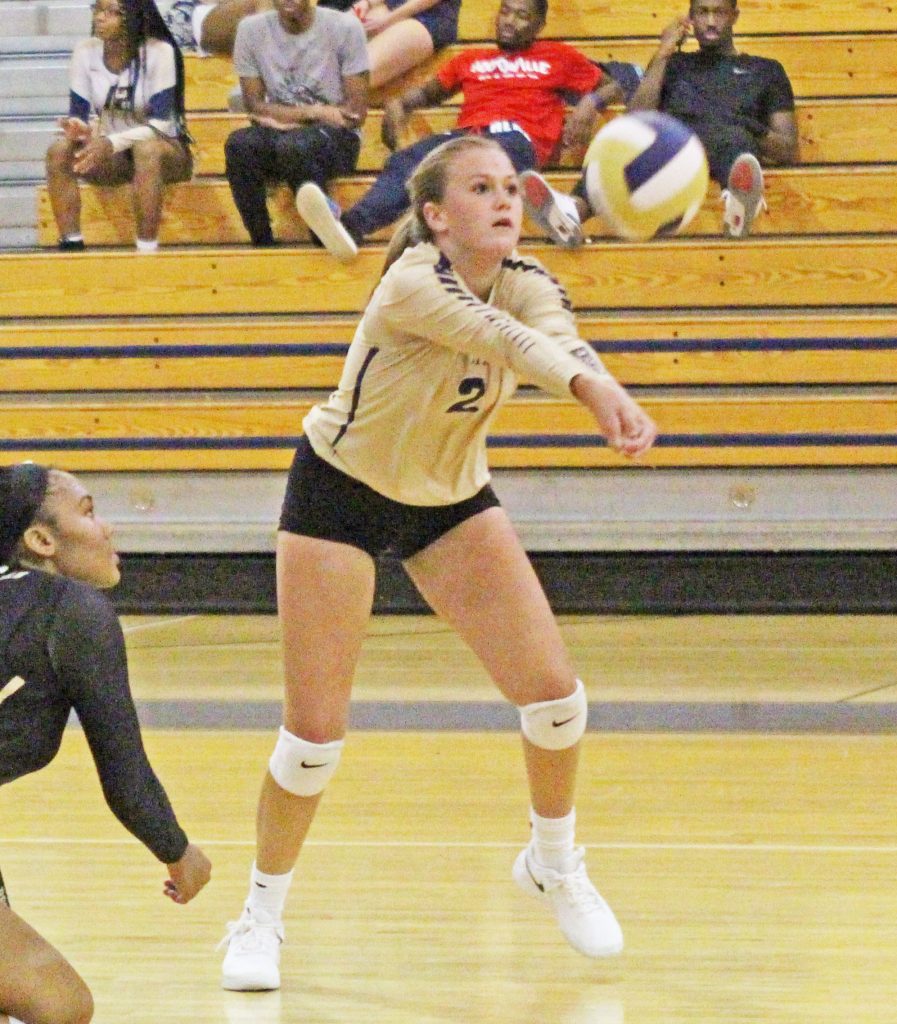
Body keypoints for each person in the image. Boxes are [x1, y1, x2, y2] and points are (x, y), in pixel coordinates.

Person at [218, 134, 657, 992]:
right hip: (341, 492)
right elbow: (509, 343)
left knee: (556, 700)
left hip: (451, 497)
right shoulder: (413, 281)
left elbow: (557, 338)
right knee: (311, 740)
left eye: (510, 189)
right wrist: (589, 391)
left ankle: (552, 861)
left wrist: (600, 382)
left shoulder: (528, 279)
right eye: (480, 188)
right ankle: (259, 916)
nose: (504, 201)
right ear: (434, 214)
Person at [0, 463, 211, 1024]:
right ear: (42, 540)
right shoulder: (69, 611)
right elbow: (126, 780)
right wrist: (180, 852)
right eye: (89, 512)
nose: (108, 529)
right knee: (61, 1006)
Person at [294, 0, 630, 261]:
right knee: (410, 162)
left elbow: (618, 83)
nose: (509, 21)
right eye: (506, 11)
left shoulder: (557, 56)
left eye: (522, 16)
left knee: (479, 159)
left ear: (539, 25)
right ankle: (349, 227)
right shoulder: (471, 59)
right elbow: (424, 94)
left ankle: (541, 213)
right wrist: (398, 106)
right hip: (466, 138)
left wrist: (590, 103)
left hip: (516, 138)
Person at [520, 0, 799, 245]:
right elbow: (636, 118)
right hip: (674, 151)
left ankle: (739, 201)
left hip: (730, 145)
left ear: (734, 16)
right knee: (620, 147)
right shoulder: (674, 64)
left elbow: (787, 149)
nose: (711, 21)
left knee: (732, 137)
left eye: (719, 13)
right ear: (691, 17)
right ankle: (571, 212)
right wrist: (664, 52)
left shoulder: (765, 70)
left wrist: (744, 125)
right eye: (702, 12)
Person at [45, 0, 193, 254]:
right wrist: (78, 129)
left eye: (110, 11)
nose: (100, 17)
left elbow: (162, 124)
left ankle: (146, 252)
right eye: (97, 9)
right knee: (59, 150)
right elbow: (79, 114)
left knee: (146, 150)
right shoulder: (85, 51)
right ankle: (71, 244)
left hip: (165, 151)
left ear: (134, 15)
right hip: (114, 154)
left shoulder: (159, 52)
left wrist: (111, 142)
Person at [224, 0, 369, 247]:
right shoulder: (250, 30)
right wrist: (317, 112)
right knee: (238, 145)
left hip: (338, 139)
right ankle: (262, 244)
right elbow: (255, 106)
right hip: (283, 132)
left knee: (295, 147)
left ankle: (326, 237)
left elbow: (354, 114)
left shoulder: (345, 27)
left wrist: (285, 117)